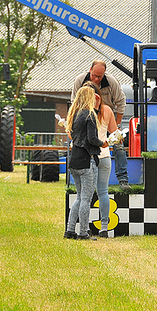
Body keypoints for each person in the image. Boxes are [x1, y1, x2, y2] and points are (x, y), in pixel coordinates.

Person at [72, 60, 131, 191]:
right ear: (90, 70)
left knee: (119, 144)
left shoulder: (111, 81)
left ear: (104, 74)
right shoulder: (79, 80)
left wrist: (116, 125)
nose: (96, 79)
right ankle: (81, 179)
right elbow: (74, 103)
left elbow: (121, 103)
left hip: (106, 116)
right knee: (80, 144)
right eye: (94, 75)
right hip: (86, 118)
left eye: (100, 77)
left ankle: (123, 179)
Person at [64, 85, 107, 241]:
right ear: (89, 98)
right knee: (86, 199)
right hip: (87, 160)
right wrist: (103, 143)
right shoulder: (89, 115)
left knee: (79, 197)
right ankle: (83, 232)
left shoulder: (74, 115)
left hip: (74, 159)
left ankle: (69, 230)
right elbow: (92, 139)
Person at [83, 81, 118, 238]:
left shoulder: (83, 112)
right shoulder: (107, 110)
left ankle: (85, 227)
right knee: (103, 192)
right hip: (105, 155)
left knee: (86, 194)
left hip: (89, 157)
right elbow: (114, 132)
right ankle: (104, 227)